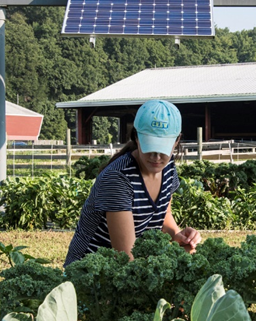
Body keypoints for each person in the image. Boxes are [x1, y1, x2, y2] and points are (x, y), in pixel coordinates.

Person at [64, 99, 201, 267]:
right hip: (89, 271)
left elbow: (164, 215)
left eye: (163, 149)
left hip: (127, 267)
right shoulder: (118, 178)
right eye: (150, 147)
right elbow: (125, 257)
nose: (156, 157)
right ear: (136, 137)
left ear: (177, 141)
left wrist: (178, 235)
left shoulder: (168, 168)